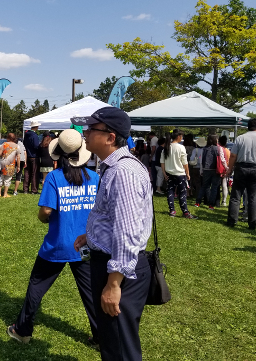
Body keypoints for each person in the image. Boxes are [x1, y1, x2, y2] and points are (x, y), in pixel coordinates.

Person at [71, 107, 152, 361]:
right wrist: (92, 235)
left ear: (110, 137)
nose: (85, 133)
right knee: (113, 342)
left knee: (119, 348)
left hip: (119, 270)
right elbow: (116, 217)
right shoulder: (114, 167)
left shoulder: (122, 171)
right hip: (114, 264)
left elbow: (128, 231)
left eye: (91, 129)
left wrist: (114, 283)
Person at [7, 129, 99, 347]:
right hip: (86, 244)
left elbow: (46, 211)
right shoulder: (94, 177)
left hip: (58, 243)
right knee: (91, 292)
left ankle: (22, 331)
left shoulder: (55, 178)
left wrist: (43, 219)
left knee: (37, 286)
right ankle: (102, 337)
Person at [227, 118, 256, 230]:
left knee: (236, 196)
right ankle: (252, 223)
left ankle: (232, 221)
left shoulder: (240, 138)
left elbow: (233, 155)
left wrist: (230, 169)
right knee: (254, 197)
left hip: (241, 167)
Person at [161, 129, 198, 219]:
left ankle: (172, 210)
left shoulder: (166, 147)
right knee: (182, 193)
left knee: (170, 191)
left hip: (169, 173)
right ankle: (185, 212)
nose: (182, 138)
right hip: (180, 173)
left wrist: (164, 173)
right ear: (178, 136)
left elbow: (162, 162)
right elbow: (185, 162)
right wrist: (187, 173)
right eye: (181, 136)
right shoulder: (181, 147)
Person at [195, 135, 227, 210]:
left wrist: (201, 170)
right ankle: (211, 205)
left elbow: (201, 161)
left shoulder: (204, 149)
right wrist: (226, 168)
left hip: (206, 169)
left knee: (204, 186)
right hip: (216, 169)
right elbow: (222, 160)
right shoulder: (219, 148)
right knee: (214, 187)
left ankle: (198, 202)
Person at [0, 132, 20, 198]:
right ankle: (5, 194)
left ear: (8, 138)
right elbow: (18, 157)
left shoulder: (4, 144)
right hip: (11, 164)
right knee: (8, 179)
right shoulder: (17, 146)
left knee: (1, 177)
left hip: (2, 163)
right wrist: (18, 166)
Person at [23, 121, 41, 194]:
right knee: (34, 173)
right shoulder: (34, 135)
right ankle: (34, 189)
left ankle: (25, 189)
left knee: (27, 173)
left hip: (27, 155)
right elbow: (36, 146)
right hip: (34, 156)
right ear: (36, 127)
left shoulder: (26, 135)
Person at [218, 135, 231, 207]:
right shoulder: (228, 151)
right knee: (224, 185)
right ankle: (224, 201)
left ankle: (217, 200)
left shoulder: (218, 149)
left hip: (218, 169)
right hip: (225, 169)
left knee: (217, 185)